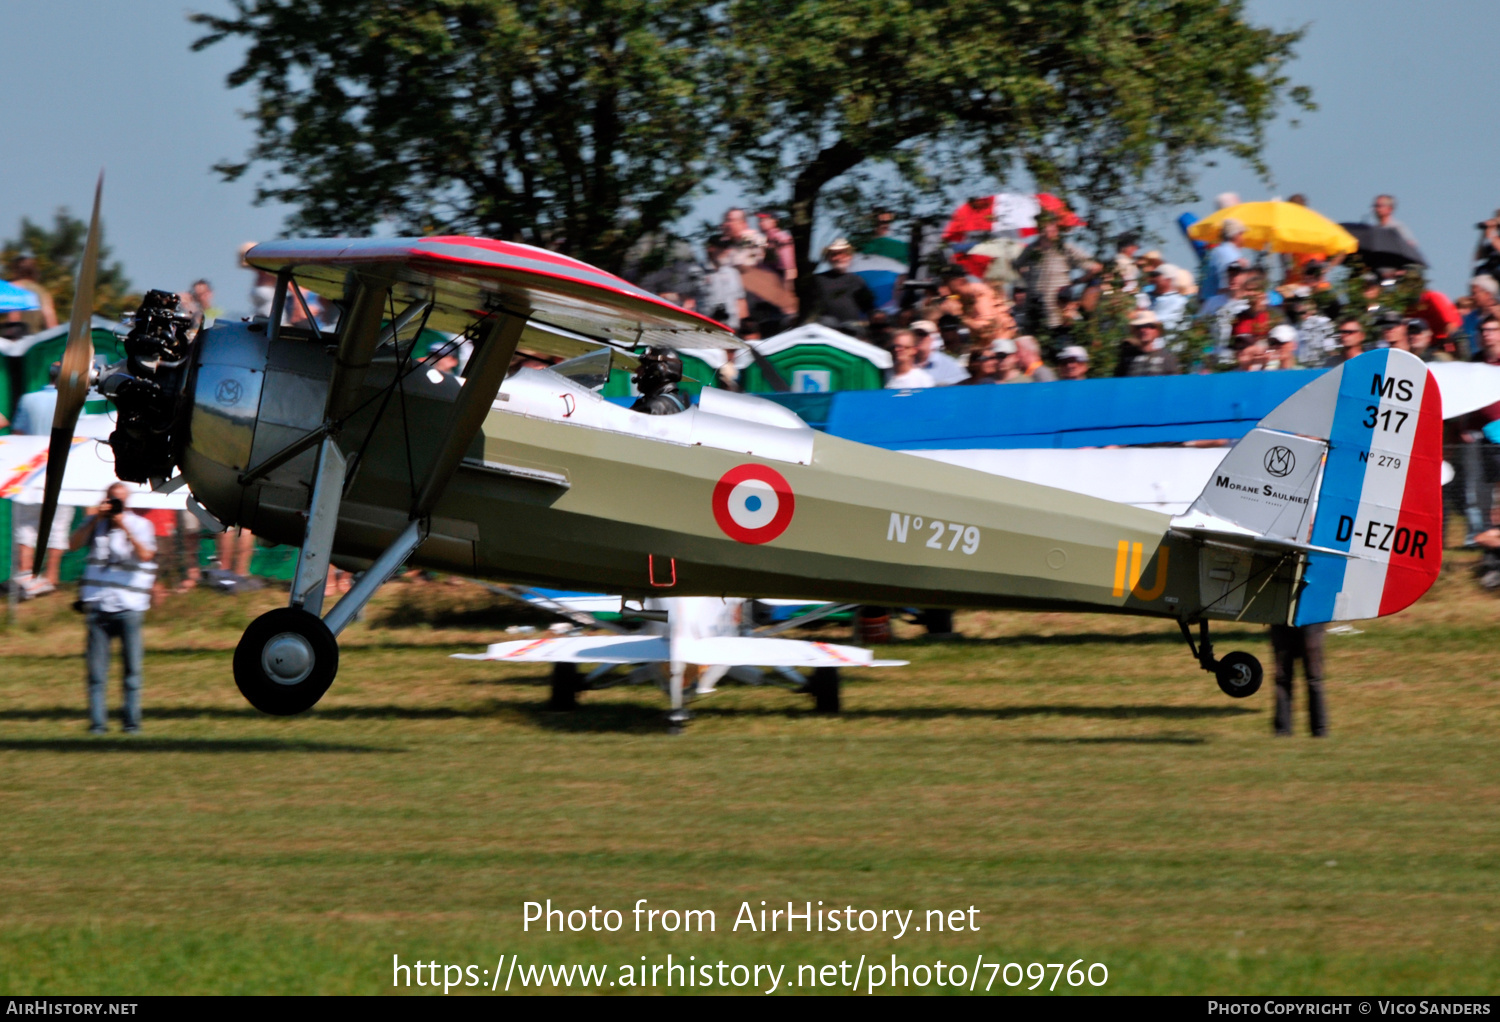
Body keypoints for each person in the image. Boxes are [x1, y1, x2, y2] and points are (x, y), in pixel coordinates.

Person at [72, 483, 157, 734]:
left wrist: (123, 525)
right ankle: (98, 725)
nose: (113, 503)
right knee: (96, 673)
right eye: (110, 499)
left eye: (118, 500)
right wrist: (95, 519)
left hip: (129, 606)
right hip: (98, 604)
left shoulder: (141, 525)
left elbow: (145, 555)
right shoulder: (94, 524)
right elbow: (72, 545)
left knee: (132, 671)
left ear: (127, 502)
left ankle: (131, 725)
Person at [11, 362, 70, 597]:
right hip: (61, 474)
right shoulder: (71, 403)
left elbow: (18, 435)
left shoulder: (28, 400)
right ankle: (51, 577)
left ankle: (26, 576)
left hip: (31, 472)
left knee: (25, 525)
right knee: (58, 525)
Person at [1012, 210, 1092, 334]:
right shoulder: (1031, 249)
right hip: (1036, 316)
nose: (1052, 228)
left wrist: (1076, 282)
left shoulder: (1065, 248)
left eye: (1053, 225)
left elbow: (1094, 267)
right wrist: (1029, 278)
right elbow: (1017, 265)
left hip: (1059, 316)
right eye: (1047, 225)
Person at [800, 239, 875, 332]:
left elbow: (869, 308)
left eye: (842, 253)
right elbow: (808, 306)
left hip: (851, 329)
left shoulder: (857, 281)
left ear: (849, 256)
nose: (838, 257)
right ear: (829, 258)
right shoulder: (818, 280)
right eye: (834, 254)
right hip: (826, 328)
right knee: (828, 322)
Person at [1269, 623, 1327, 738]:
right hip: (1284, 619)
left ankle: (1319, 731)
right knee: (1285, 678)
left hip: (1308, 618)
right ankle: (1283, 731)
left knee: (1311, 678)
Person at [697, 238, 749, 330]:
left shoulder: (733, 273)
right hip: (708, 328)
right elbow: (689, 301)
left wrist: (745, 328)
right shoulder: (697, 272)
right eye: (722, 248)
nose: (726, 251)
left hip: (732, 327)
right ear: (711, 249)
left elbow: (740, 301)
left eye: (727, 248)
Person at [5, 253, 59, 334]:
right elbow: (50, 321)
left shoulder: (14, 287)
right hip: (35, 341)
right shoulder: (43, 292)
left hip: (18, 341)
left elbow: (14, 317)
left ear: (15, 271)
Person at [1115, 309, 1179, 377]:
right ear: (1135, 332)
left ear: (1157, 332)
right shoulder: (1126, 359)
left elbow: (1175, 384)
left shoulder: (1167, 358)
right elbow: (1116, 384)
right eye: (1139, 327)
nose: (1144, 330)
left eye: (1149, 326)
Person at [630, 346, 690, 415]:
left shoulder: (654, 407)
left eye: (643, 366)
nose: (637, 370)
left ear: (658, 370)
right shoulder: (678, 402)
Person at [1202, 217, 1249, 300]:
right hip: (1222, 304)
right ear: (1235, 235)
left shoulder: (1216, 251)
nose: (1243, 238)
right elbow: (1226, 287)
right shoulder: (1229, 254)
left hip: (1210, 302)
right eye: (1241, 234)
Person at [911, 321, 968, 385]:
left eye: (923, 334)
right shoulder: (904, 363)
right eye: (914, 335)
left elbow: (960, 391)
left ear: (934, 337)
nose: (918, 338)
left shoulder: (950, 364)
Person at [1150, 265, 1190, 332]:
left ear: (1168, 280)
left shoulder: (1179, 301)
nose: (1154, 279)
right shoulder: (1147, 296)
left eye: (1157, 276)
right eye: (1153, 275)